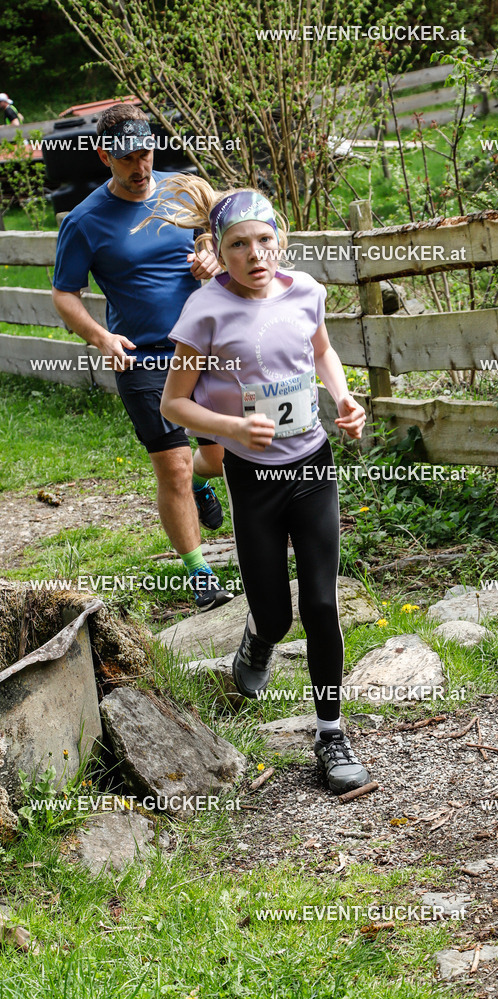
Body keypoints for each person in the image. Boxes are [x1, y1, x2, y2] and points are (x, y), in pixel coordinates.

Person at [144, 178, 372, 795]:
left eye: (263, 240)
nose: (254, 254)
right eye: (238, 245)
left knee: (321, 605)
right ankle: (259, 639)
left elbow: (322, 352)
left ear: (281, 241)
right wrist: (232, 428)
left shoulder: (307, 292)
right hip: (252, 476)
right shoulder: (205, 310)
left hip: (312, 466)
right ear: (220, 251)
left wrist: (343, 398)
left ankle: (331, 734)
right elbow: (173, 403)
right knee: (274, 614)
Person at [51, 103, 232, 611]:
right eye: (127, 157)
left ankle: (202, 484)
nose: (140, 167)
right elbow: (64, 293)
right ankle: (199, 574)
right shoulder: (84, 221)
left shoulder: (185, 189)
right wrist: (100, 337)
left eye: (146, 154)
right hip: (142, 359)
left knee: (216, 458)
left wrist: (210, 252)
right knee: (172, 468)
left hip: (202, 349)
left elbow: (220, 233)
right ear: (104, 155)